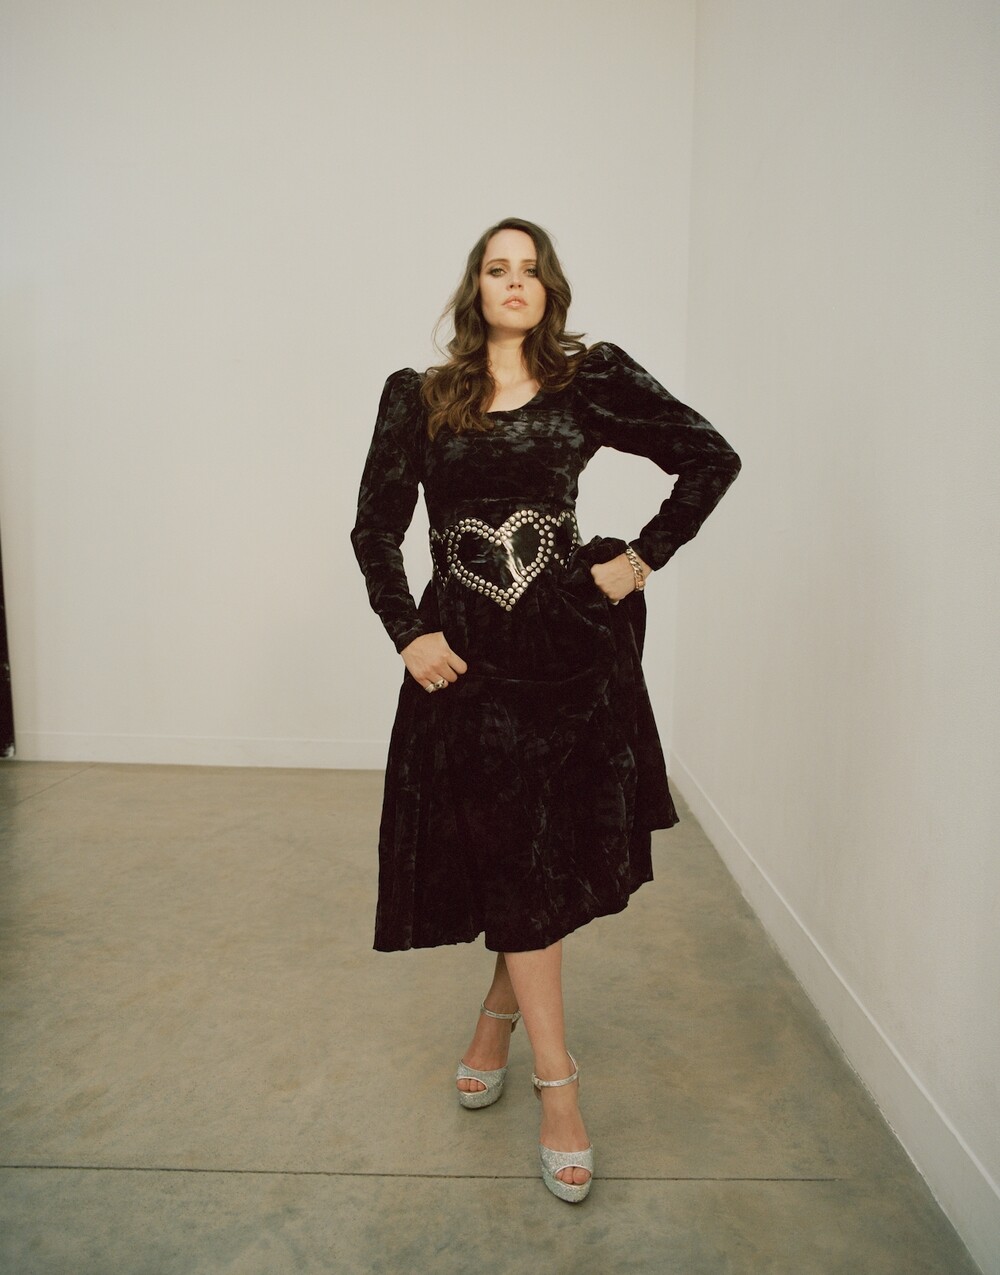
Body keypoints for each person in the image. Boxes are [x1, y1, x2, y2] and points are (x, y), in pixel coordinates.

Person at [351, 217, 740, 1203]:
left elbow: (708, 456)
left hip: (566, 658)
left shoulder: (586, 382)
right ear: (475, 288)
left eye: (530, 269)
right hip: (464, 667)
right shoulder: (420, 397)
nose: (514, 282)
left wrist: (638, 560)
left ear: (549, 288)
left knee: (533, 856)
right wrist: (408, 632)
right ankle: (536, 1063)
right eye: (497, 268)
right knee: (514, 855)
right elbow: (375, 529)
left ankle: (530, 1057)